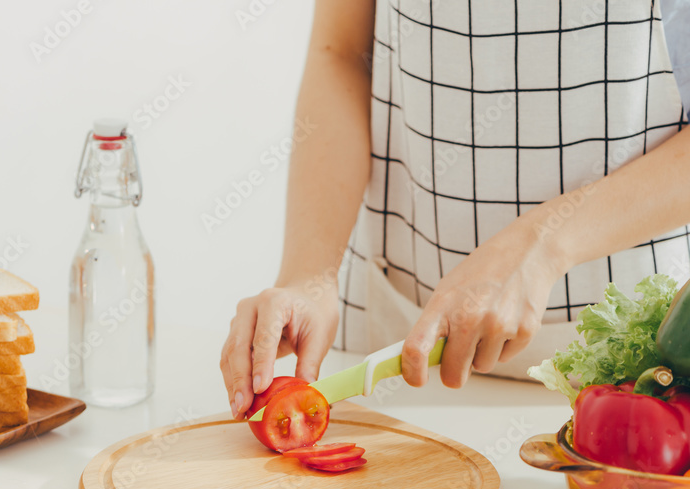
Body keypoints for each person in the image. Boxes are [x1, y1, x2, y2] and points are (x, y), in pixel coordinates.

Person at [221, 0, 690, 419]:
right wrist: (309, 275)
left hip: (634, 373)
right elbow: (341, 53)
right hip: (395, 341)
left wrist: (543, 244)